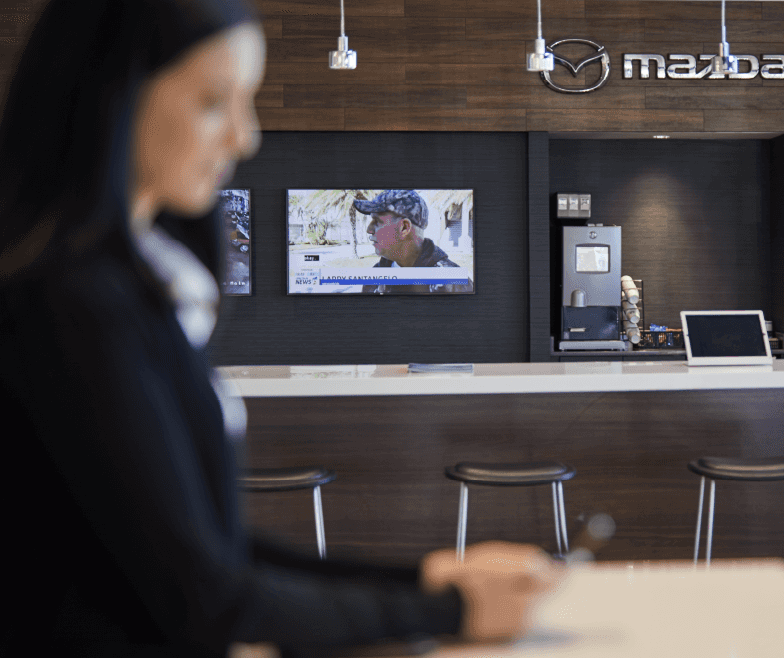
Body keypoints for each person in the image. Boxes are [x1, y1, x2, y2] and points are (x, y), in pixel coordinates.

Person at [0, 2, 553, 656]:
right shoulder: (73, 304)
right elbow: (203, 601)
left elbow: (202, 558)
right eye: (213, 102)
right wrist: (441, 608)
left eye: (248, 100)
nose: (246, 137)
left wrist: (427, 582)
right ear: (112, 97)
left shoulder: (123, 291)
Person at [355, 190, 474, 294]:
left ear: (404, 228)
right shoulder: (375, 276)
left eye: (377, 221)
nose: (369, 230)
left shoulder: (452, 281)